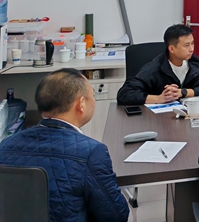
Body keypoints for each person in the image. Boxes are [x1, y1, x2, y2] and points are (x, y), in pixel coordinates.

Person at [0, 68, 129, 222]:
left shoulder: (5, 145)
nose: (93, 102)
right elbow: (116, 215)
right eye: (92, 96)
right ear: (81, 104)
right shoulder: (91, 152)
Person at [117, 24, 199, 105]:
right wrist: (158, 99)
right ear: (172, 49)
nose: (191, 49)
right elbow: (124, 94)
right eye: (186, 45)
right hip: (159, 117)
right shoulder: (154, 68)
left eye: (192, 43)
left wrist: (183, 92)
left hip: (188, 113)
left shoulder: (195, 63)